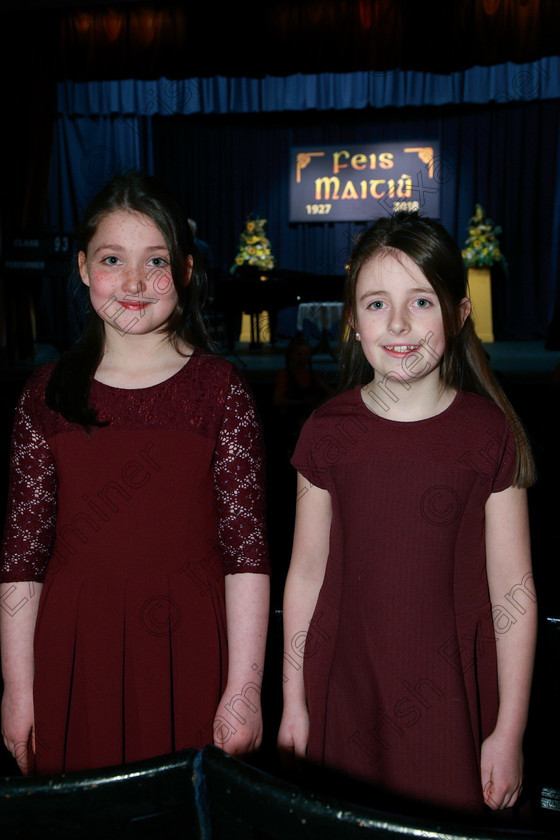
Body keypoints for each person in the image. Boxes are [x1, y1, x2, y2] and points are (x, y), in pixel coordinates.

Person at [0, 171, 270, 775]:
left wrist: (245, 687)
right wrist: (18, 689)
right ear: (80, 267)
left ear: (187, 271)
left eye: (156, 261)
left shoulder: (220, 391)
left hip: (190, 647)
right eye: (112, 259)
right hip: (76, 648)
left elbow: (246, 553)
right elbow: (22, 557)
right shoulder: (45, 395)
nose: (134, 282)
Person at [277, 212, 537, 816]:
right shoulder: (326, 433)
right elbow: (307, 575)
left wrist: (509, 730)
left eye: (421, 301)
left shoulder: (487, 433)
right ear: (350, 322)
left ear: (458, 313)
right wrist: (293, 702)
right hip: (344, 687)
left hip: (448, 701)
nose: (398, 323)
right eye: (375, 304)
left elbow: (513, 590)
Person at [273, 337, 333, 456]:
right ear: (291, 355)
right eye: (298, 354)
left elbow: (333, 393)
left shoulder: (312, 375)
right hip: (290, 419)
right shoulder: (284, 374)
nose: (302, 358)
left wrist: (320, 405)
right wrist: (303, 402)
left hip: (310, 417)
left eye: (306, 354)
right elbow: (277, 401)